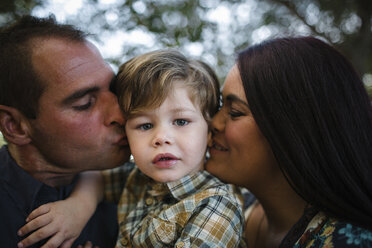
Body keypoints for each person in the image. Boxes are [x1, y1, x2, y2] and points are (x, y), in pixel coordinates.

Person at [18, 50, 245, 247]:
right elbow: (97, 178)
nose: (161, 138)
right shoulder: (137, 178)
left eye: (181, 122)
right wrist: (78, 208)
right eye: (145, 125)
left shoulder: (216, 205)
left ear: (208, 130)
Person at [206, 36, 372, 247]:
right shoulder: (225, 211)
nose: (214, 122)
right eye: (220, 105)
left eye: (235, 112)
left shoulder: (346, 241)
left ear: (292, 131)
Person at [0, 15, 131, 247]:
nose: (121, 115)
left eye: (114, 90)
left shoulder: (139, 189)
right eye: (85, 104)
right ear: (15, 126)